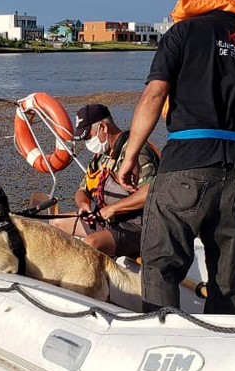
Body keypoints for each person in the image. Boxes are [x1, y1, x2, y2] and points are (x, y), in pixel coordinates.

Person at [115, 0, 235, 314]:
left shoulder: (184, 32)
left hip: (187, 162)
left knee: (161, 262)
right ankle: (225, 336)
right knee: (226, 266)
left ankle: (161, 334)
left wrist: (130, 156)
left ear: (202, 8)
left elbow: (155, 95)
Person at [50, 103, 159, 258]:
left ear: (103, 127)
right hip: (107, 221)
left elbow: (151, 191)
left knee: (91, 243)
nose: (88, 142)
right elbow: (82, 190)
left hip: (140, 226)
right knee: (55, 223)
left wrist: (111, 209)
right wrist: (84, 205)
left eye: (88, 137)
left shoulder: (137, 151)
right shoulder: (100, 156)